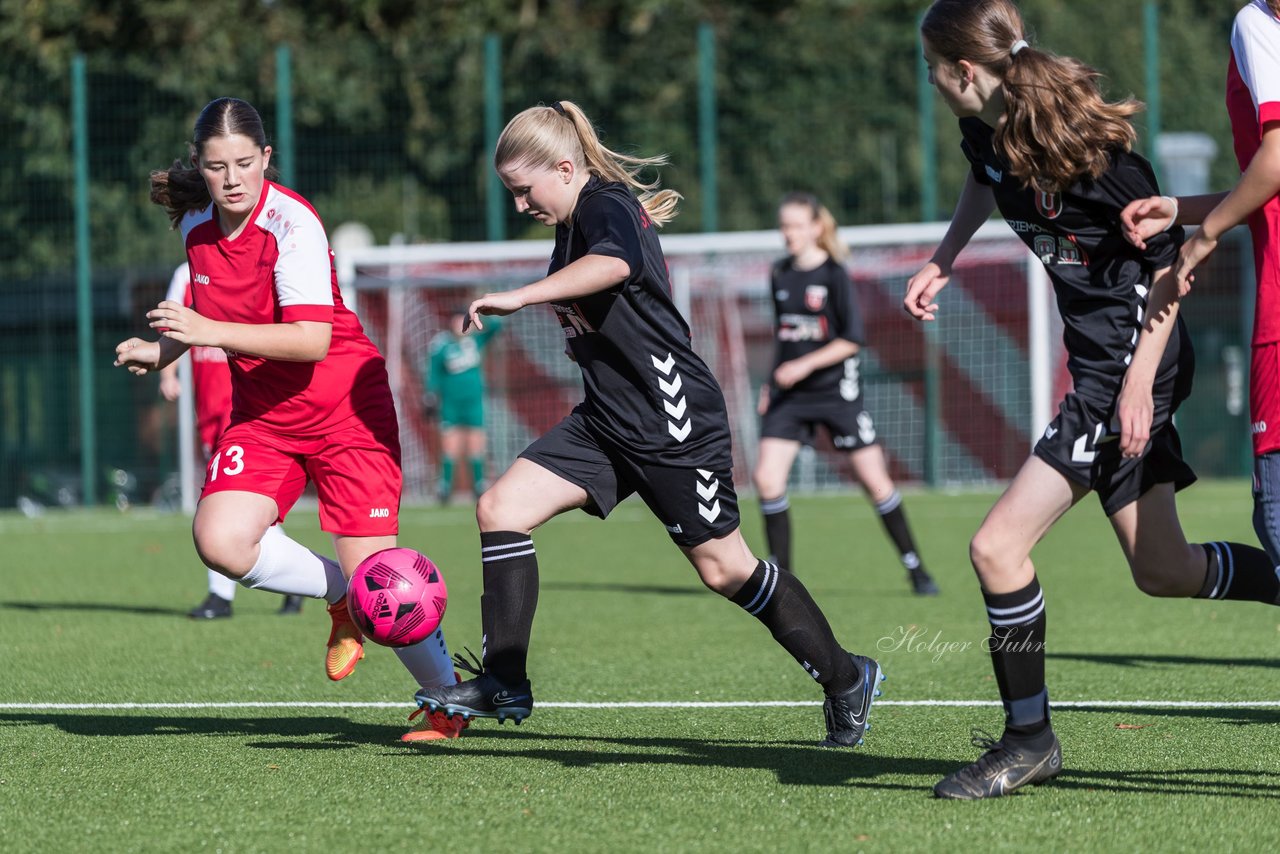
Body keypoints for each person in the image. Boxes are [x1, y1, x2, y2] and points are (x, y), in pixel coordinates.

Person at [414, 100, 884, 748]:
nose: (520, 204)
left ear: (564, 165)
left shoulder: (605, 205)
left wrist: (520, 296)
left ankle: (847, 677)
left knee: (725, 569)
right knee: (500, 507)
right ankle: (504, 680)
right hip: (608, 422)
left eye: (524, 190)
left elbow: (618, 265)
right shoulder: (570, 223)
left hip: (673, 421)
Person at [907, 0, 1280, 800]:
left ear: (963, 72)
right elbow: (986, 180)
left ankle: (1028, 740)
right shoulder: (990, 131)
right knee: (1165, 570)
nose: (931, 81)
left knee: (996, 547)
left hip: (1128, 367)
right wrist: (944, 258)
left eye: (932, 68)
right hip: (1108, 370)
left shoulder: (1096, 157)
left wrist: (1140, 381)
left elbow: (1170, 267)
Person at [115, 97, 462, 742]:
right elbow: (215, 314)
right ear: (200, 166)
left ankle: (446, 700)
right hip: (265, 417)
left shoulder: (294, 224)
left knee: (384, 586)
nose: (232, 179)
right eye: (217, 167)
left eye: (245, 163)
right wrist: (162, 349)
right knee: (220, 540)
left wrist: (201, 331)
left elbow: (310, 341)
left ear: (266, 158)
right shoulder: (196, 223)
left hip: (344, 411)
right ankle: (341, 599)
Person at [1120, 0, 1280, 564]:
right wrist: (1181, 209)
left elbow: (1275, 160)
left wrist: (1203, 237)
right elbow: (1267, 190)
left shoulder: (1258, 22)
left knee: (1277, 518)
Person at [754, 192, 939, 595]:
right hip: (790, 397)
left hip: (836, 393)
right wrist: (771, 382)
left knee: (874, 482)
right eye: (784, 226)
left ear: (817, 228)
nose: (789, 234)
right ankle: (784, 580)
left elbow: (852, 339)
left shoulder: (835, 275)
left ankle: (916, 568)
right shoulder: (779, 273)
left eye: (797, 225)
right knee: (767, 479)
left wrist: (804, 365)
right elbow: (784, 338)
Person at [159, 261, 303, 619]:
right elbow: (172, 324)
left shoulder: (253, 265)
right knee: (247, 506)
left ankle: (220, 597)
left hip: (245, 404)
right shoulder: (185, 273)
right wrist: (168, 373)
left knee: (220, 498)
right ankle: (301, 583)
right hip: (209, 402)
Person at [424, 308, 502, 504]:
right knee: (451, 444)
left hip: (473, 402)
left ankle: (479, 485)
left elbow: (497, 326)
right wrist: (430, 396)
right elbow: (434, 373)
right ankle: (445, 487)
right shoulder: (442, 346)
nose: (460, 326)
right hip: (450, 403)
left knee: (476, 442)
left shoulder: (475, 341)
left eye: (463, 322)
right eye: (456, 322)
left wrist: (482, 314)